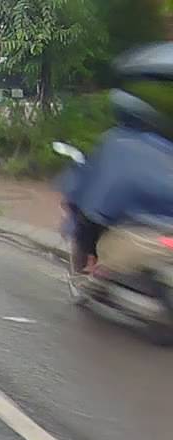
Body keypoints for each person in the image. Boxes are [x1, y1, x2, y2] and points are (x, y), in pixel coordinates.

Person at [61, 43, 173, 274]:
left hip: (134, 231)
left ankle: (95, 271)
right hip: (157, 228)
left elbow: (98, 201)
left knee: (91, 224)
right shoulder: (160, 143)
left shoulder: (116, 143)